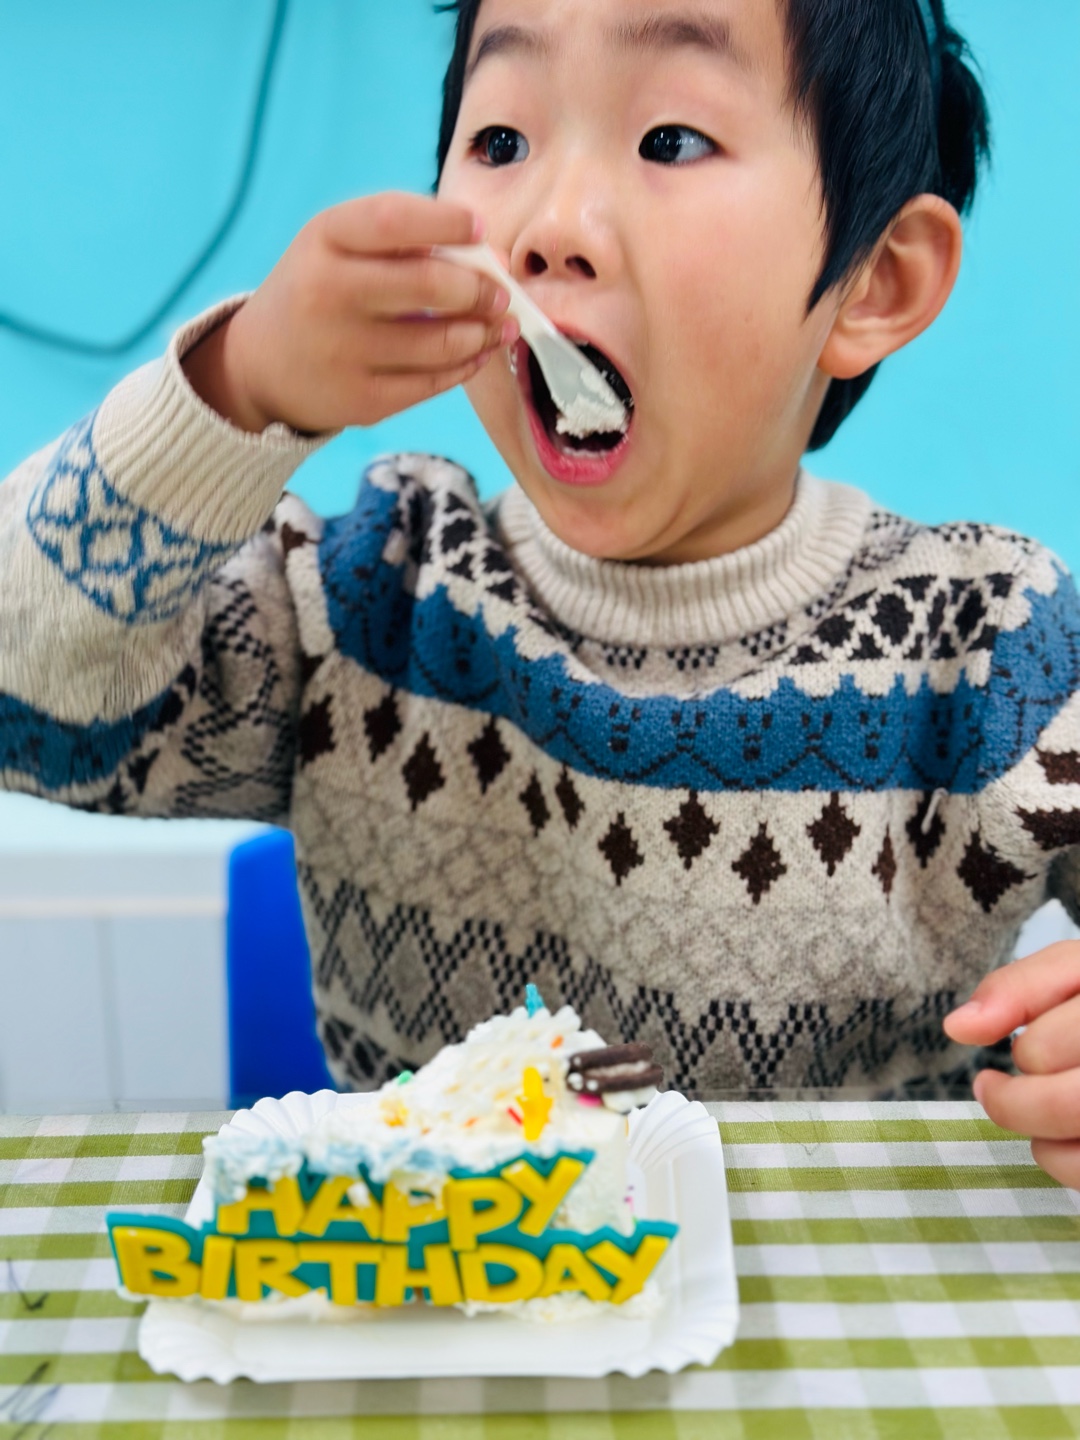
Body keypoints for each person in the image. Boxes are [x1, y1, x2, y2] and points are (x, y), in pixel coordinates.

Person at [2, 0, 1079, 1188]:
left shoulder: (991, 653)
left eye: (670, 140)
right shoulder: (370, 605)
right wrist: (237, 385)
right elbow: (22, 700)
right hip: (438, 1288)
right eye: (502, 141)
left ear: (874, 281)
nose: (550, 228)